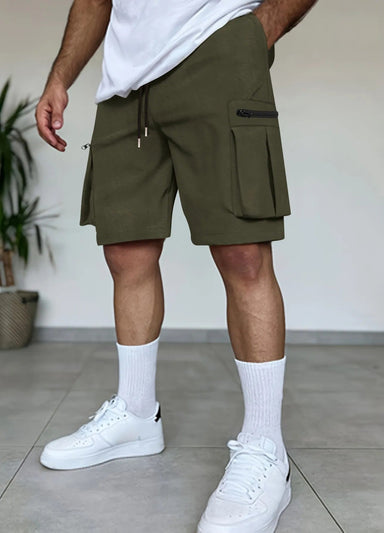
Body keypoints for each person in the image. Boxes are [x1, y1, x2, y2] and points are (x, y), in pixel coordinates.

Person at [35, 0, 317, 531]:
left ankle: (265, 447)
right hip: (126, 81)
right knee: (125, 248)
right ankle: (137, 414)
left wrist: (262, 27)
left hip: (216, 50)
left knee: (242, 251)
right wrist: (60, 77)